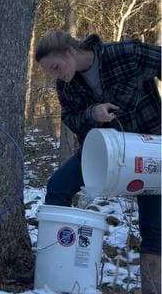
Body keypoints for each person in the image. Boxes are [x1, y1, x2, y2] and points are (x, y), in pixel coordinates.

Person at [35, 30, 161, 294]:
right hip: (103, 149)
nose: (56, 75)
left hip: (150, 147)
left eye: (56, 67)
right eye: (50, 72)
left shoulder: (125, 53)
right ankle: (57, 271)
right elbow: (71, 118)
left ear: (70, 51)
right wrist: (93, 112)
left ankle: (152, 287)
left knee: (154, 225)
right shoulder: (65, 86)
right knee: (58, 186)